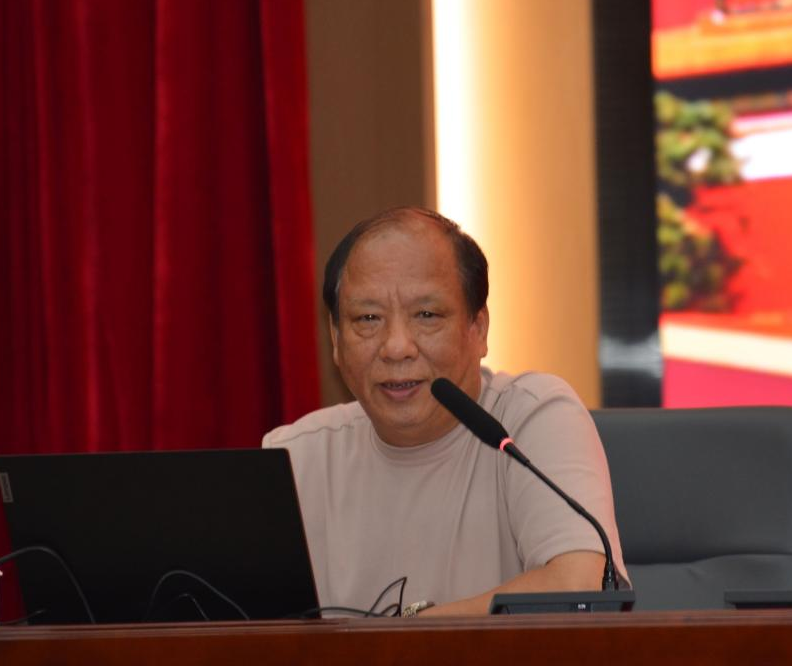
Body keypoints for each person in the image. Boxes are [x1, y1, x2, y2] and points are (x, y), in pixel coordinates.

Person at [262, 207, 626, 616]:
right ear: (335, 338)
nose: (396, 347)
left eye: (426, 315)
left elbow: (579, 587)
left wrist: (399, 639)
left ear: (478, 329)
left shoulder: (529, 420)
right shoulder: (294, 457)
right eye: (368, 318)